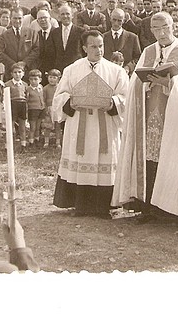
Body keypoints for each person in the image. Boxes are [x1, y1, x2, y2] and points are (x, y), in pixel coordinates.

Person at [112, 10, 178, 222]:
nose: (161, 33)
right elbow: (135, 81)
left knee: (171, 158)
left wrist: (169, 83)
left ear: (174, 27)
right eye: (156, 29)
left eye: (165, 28)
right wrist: (144, 82)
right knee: (149, 158)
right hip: (148, 113)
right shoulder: (148, 51)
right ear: (151, 30)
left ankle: (173, 210)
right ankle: (148, 207)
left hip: (174, 117)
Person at [52, 30, 129, 219]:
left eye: (101, 46)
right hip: (80, 123)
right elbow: (59, 97)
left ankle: (104, 206)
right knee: (82, 159)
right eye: (93, 46)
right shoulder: (72, 69)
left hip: (105, 124)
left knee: (104, 161)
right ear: (85, 48)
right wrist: (70, 102)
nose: (98, 50)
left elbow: (126, 97)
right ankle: (80, 205)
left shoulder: (116, 71)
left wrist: (113, 103)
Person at [0, 8, 40, 80]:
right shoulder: (4, 35)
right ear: (11, 19)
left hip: (29, 72)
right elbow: (1, 53)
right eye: (15, 18)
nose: (17, 21)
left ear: (23, 18)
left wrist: (24, 63)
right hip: (11, 73)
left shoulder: (32, 33)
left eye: (19, 18)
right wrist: (13, 65)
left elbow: (36, 50)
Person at [48, 3, 85, 73]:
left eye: (68, 14)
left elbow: (84, 53)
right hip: (59, 71)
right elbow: (51, 53)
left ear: (72, 15)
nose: (65, 16)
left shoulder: (81, 32)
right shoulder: (54, 33)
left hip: (76, 69)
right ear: (59, 16)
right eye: (62, 14)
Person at [103, 8, 142, 75]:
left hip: (126, 75)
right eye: (114, 20)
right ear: (110, 19)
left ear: (124, 21)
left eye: (119, 21)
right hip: (107, 74)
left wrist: (128, 67)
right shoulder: (103, 37)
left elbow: (138, 58)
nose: (116, 23)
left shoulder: (133, 37)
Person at [4, 62, 29, 150]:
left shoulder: (25, 85)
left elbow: (27, 97)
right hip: (12, 105)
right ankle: (8, 145)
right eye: (15, 72)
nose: (17, 74)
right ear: (11, 74)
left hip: (22, 105)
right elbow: (4, 97)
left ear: (23, 73)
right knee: (10, 125)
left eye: (19, 72)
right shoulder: (7, 84)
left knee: (22, 126)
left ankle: (23, 145)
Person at [24, 69, 46, 148]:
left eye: (35, 79)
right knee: (32, 127)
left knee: (38, 126)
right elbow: (26, 100)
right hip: (32, 110)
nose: (33, 81)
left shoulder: (41, 87)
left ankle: (37, 140)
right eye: (31, 79)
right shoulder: (28, 89)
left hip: (41, 109)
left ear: (40, 80)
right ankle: (31, 141)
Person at [42, 69, 62, 149]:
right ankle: (46, 142)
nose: (52, 79)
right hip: (49, 109)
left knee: (58, 126)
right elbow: (43, 99)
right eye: (50, 77)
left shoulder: (60, 88)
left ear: (58, 78)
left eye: (54, 77)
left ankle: (58, 142)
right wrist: (45, 108)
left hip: (57, 109)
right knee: (48, 126)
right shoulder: (46, 88)